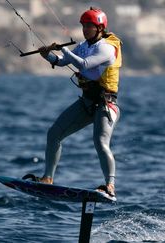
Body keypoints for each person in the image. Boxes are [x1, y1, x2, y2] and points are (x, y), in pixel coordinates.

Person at [35, 7, 122, 197]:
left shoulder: (107, 48)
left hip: (106, 105)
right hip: (87, 102)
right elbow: (61, 62)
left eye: (89, 26)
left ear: (100, 28)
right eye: (83, 25)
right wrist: (47, 55)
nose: (85, 29)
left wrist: (65, 49)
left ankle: (110, 186)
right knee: (54, 133)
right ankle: (47, 178)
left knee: (100, 141)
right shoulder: (84, 46)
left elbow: (84, 64)